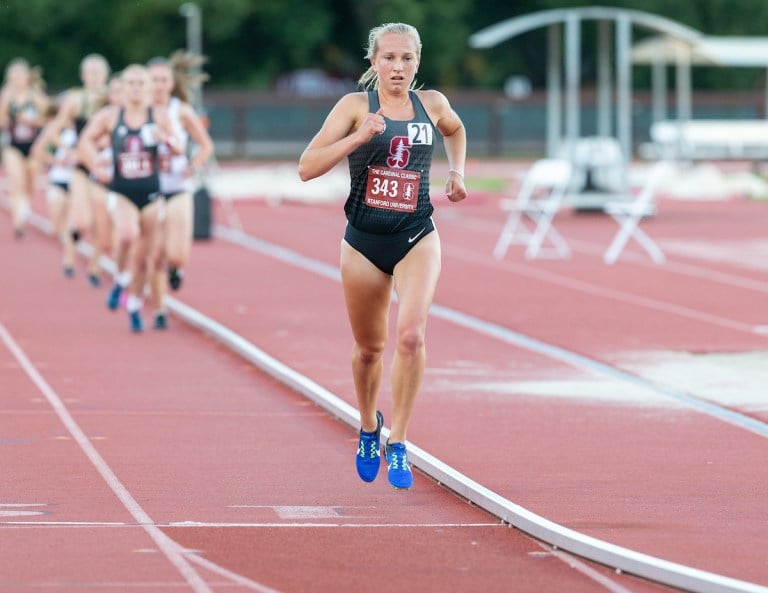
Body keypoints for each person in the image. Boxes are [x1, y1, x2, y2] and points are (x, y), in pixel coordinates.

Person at [298, 22, 467, 489]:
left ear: (418, 62)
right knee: (370, 350)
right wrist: (357, 137)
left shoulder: (431, 105)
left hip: (417, 234)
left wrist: (457, 171)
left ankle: (399, 440)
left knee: (410, 336)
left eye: (406, 58)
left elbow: (455, 129)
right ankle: (369, 428)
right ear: (373, 62)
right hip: (363, 243)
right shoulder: (354, 106)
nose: (398, 67)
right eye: (388, 58)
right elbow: (306, 168)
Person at [78, 64, 181, 333]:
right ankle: (120, 279)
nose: (135, 89)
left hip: (151, 194)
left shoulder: (158, 115)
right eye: (131, 84)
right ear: (122, 88)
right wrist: (96, 167)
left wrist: (165, 140)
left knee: (145, 260)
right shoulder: (111, 117)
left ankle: (133, 304)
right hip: (122, 191)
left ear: (148, 89)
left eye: (141, 84)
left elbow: (179, 146)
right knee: (126, 235)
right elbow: (85, 141)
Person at [146, 52, 213, 329]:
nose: (159, 85)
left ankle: (176, 268)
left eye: (163, 80)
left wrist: (193, 165)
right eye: (154, 80)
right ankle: (160, 309)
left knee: (175, 253)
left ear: (172, 83)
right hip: (147, 190)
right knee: (154, 252)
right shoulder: (138, 112)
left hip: (177, 187)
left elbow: (205, 146)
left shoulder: (180, 111)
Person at [0, 58, 50, 238]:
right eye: (13, 77)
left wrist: (31, 120)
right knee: (16, 181)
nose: (17, 81)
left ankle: (25, 204)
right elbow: (1, 121)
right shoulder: (7, 96)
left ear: (27, 78)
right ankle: (18, 223)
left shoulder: (35, 96)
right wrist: (10, 119)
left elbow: (50, 118)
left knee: (29, 182)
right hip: (13, 145)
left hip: (34, 145)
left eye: (20, 77)